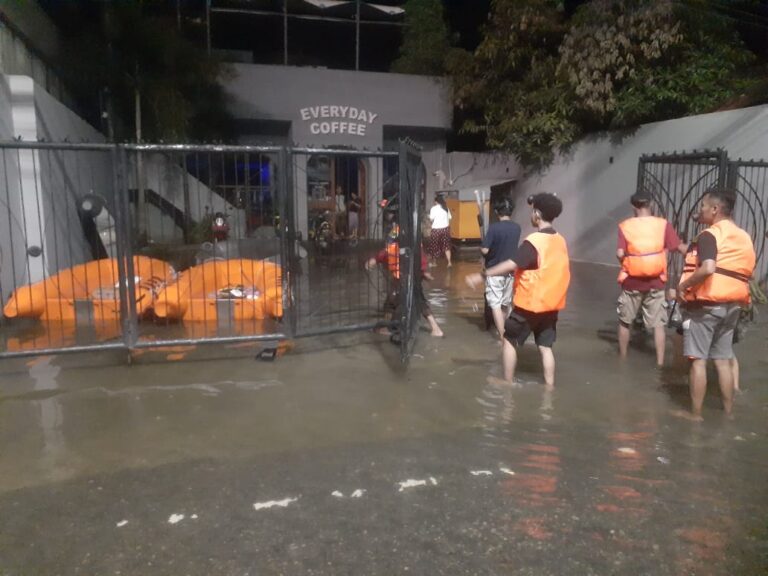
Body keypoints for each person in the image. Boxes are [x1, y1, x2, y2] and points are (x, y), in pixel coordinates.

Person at [466, 192, 570, 388]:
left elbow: (512, 264)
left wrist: (482, 275)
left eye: (532, 211)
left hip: (530, 305)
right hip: (551, 306)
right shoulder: (561, 240)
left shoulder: (534, 242)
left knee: (509, 340)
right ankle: (549, 385)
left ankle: (507, 381)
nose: (531, 215)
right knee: (545, 347)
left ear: (537, 214)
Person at [675, 188, 756, 421]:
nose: (700, 209)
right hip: (733, 306)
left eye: (702, 205)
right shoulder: (743, 236)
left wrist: (683, 287)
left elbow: (708, 267)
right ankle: (728, 413)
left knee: (697, 361)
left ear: (715, 209)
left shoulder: (710, 235)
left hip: (707, 305)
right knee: (722, 360)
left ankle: (695, 415)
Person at [616, 190, 687, 366]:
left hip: (632, 281)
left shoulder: (625, 226)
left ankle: (623, 358)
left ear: (633, 207)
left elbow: (619, 253)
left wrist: (629, 262)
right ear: (651, 204)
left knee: (625, 321)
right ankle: (660, 363)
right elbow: (678, 247)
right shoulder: (663, 225)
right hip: (656, 282)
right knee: (658, 324)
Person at [366, 222, 444, 338]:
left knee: (391, 303)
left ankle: (387, 327)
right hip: (411, 279)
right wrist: (425, 273)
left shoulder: (393, 248)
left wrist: (371, 262)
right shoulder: (412, 247)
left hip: (403, 280)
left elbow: (379, 257)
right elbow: (422, 263)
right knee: (418, 302)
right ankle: (435, 328)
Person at [480, 197, 521, 342]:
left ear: (497, 212)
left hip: (494, 270)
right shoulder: (517, 228)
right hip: (510, 272)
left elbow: (485, 250)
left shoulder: (494, 228)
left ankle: (503, 337)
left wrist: (484, 247)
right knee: (506, 304)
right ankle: (508, 332)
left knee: (495, 305)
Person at [428, 194, 452, 267]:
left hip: (436, 230)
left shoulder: (433, 208)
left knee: (434, 246)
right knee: (446, 246)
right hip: (445, 229)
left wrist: (428, 216)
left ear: (436, 202)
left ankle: (434, 263)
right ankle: (449, 262)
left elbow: (431, 219)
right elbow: (450, 218)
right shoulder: (446, 208)